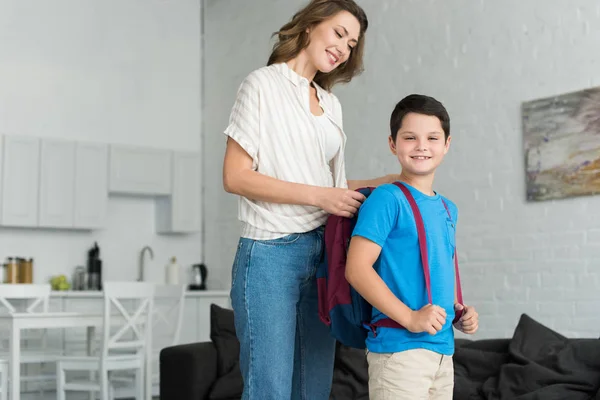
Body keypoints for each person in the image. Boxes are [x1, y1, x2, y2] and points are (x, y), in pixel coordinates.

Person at [221, 1, 399, 399]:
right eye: (339, 33)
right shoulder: (262, 85)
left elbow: (329, 185)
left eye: (352, 44)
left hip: (322, 254)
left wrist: (387, 181)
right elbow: (235, 176)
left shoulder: (331, 104)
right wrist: (322, 196)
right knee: (270, 390)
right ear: (309, 27)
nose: (343, 48)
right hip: (269, 255)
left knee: (314, 390)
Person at [345, 94, 480, 400]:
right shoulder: (386, 199)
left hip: (443, 352)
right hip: (399, 352)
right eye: (410, 137)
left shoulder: (448, 209)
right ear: (393, 144)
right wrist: (410, 318)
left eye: (432, 137)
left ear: (446, 144)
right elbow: (356, 268)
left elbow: (435, 268)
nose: (421, 146)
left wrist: (459, 310)